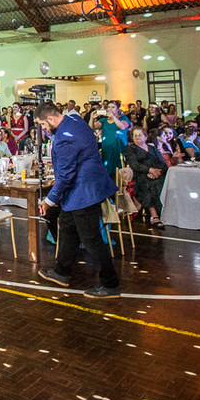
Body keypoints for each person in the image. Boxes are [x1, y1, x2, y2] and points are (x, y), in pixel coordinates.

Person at [35, 102, 121, 298]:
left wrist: (49, 200)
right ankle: (61, 271)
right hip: (82, 189)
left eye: (43, 124)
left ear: (50, 119)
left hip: (84, 192)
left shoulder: (64, 139)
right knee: (66, 227)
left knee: (91, 240)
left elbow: (66, 176)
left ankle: (111, 283)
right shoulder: (74, 120)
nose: (44, 128)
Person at [125, 126, 167, 228]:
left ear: (145, 137)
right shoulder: (131, 149)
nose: (137, 137)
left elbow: (162, 163)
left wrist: (157, 172)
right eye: (135, 135)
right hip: (140, 174)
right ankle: (154, 215)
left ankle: (166, 212)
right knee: (150, 183)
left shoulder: (152, 148)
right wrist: (150, 170)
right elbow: (134, 164)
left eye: (140, 135)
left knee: (164, 181)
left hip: (156, 173)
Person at [91, 101, 129, 181]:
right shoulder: (104, 120)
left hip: (119, 149)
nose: (110, 109)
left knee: (120, 171)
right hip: (107, 150)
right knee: (108, 172)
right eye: (108, 107)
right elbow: (92, 127)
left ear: (117, 109)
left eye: (113, 107)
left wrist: (113, 117)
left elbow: (122, 126)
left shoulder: (123, 118)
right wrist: (92, 118)